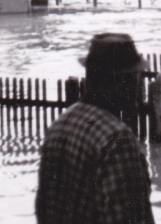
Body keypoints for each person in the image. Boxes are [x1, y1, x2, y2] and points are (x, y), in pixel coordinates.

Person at [36, 33, 154, 224]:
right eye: (136, 77)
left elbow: (43, 207)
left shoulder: (60, 126)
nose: (139, 84)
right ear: (124, 82)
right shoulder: (117, 139)